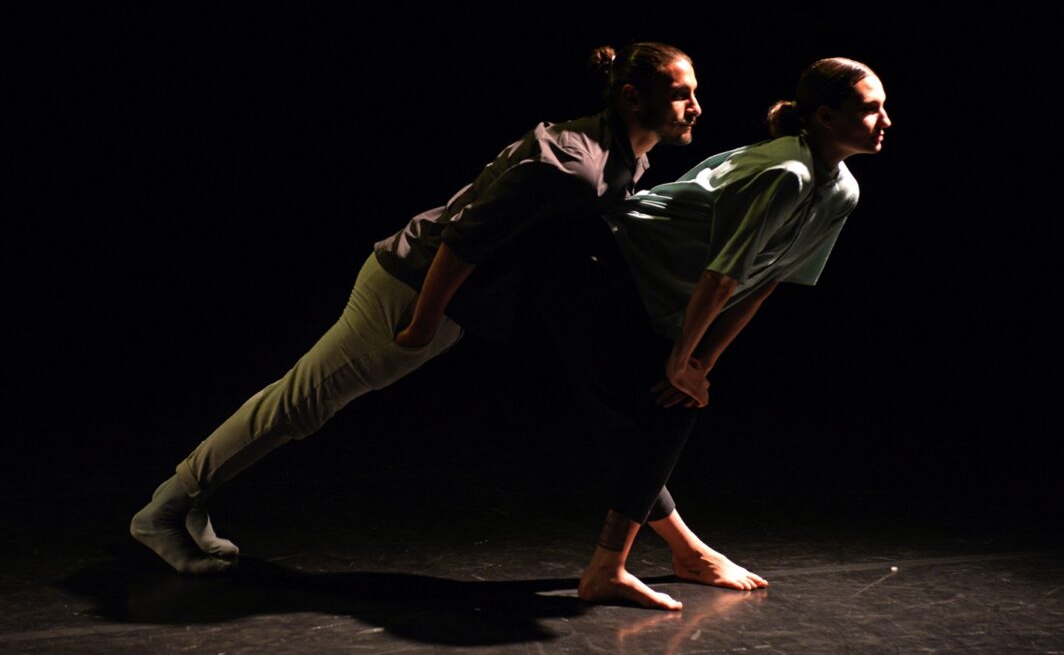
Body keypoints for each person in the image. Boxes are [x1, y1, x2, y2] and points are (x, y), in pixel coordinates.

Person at [129, 41, 702, 575]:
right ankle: (164, 512)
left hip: (435, 298)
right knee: (299, 404)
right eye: (681, 94)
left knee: (301, 402)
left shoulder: (620, 156)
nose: (695, 108)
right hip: (410, 290)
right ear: (633, 97)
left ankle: (187, 501)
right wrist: (423, 322)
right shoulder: (578, 166)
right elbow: (463, 240)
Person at [534, 57, 892, 609]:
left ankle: (677, 555)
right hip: (593, 265)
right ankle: (615, 568)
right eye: (870, 109)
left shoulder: (841, 189)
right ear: (825, 116)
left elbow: (764, 281)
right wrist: (683, 359)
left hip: (639, 287)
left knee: (663, 409)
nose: (885, 121)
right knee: (665, 410)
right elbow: (721, 276)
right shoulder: (787, 172)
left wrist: (700, 363)